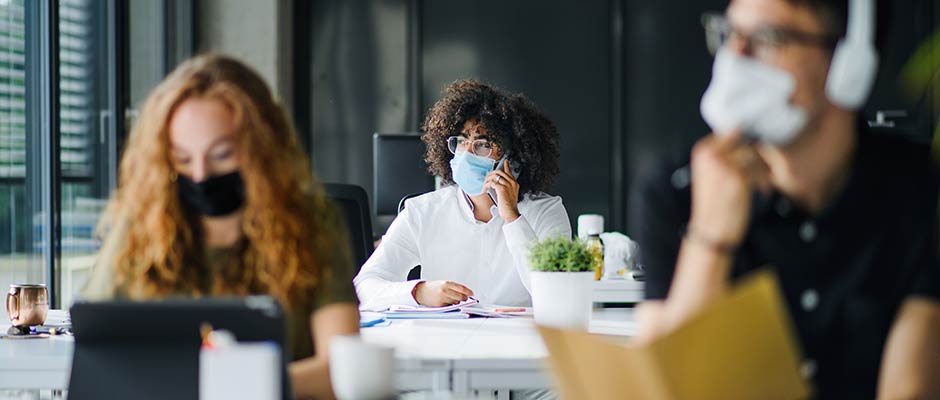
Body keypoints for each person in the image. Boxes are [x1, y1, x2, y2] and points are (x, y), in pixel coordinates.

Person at [630, 0, 940, 398]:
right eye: (729, 33)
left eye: (769, 37)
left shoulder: (918, 190)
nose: (735, 56)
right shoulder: (674, 191)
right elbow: (664, 387)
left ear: (848, 64)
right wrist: (710, 235)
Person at [82, 55, 359, 399]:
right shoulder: (139, 228)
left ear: (262, 149)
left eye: (222, 154)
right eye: (182, 159)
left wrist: (248, 385)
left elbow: (343, 367)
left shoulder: (310, 222)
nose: (199, 175)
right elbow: (96, 351)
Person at [354, 79, 570, 310]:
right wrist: (417, 292)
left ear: (513, 157)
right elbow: (363, 287)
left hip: (518, 343)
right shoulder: (422, 212)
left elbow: (559, 296)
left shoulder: (546, 211)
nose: (466, 154)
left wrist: (513, 218)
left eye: (482, 144)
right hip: (443, 342)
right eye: (461, 141)